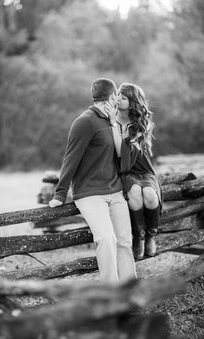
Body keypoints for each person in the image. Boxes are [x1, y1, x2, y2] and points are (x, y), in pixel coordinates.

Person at [49, 78, 136, 283]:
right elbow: (70, 158)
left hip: (114, 190)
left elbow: (122, 157)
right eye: (117, 96)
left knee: (124, 241)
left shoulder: (112, 121)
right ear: (112, 96)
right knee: (107, 239)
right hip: (90, 193)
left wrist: (115, 124)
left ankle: (130, 290)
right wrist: (60, 193)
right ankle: (112, 293)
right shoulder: (85, 122)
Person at [105, 83, 162, 260]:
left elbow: (124, 150)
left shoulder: (139, 125)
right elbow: (121, 155)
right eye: (119, 95)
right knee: (136, 192)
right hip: (126, 170)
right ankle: (139, 237)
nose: (119, 98)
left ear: (132, 103)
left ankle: (151, 235)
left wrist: (114, 124)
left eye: (124, 97)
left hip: (143, 170)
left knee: (150, 195)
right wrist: (113, 122)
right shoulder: (109, 120)